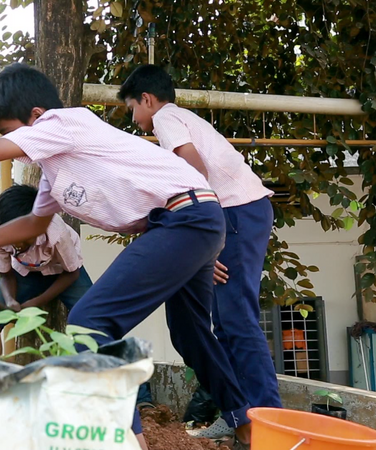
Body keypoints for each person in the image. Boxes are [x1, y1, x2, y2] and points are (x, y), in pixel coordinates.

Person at [0, 63, 253, 449]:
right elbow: (32, 224)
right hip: (189, 222)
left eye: (7, 131)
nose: (7, 143)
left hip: (184, 217)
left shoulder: (63, 122)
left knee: (90, 322)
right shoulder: (55, 169)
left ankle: (131, 441)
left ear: (36, 117)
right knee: (190, 332)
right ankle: (245, 425)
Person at [119, 64, 280, 439]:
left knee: (237, 320)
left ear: (147, 99)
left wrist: (210, 244)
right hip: (237, 212)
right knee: (224, 322)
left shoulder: (166, 119)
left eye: (132, 108)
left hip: (234, 212)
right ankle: (240, 415)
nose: (134, 117)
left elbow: (196, 173)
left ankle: (268, 420)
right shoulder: (183, 119)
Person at [0, 184, 92, 372]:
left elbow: (72, 273)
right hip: (24, 273)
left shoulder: (56, 232)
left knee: (94, 318)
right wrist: (10, 300)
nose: (16, 244)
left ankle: (121, 383)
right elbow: (6, 274)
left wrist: (36, 302)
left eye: (23, 237)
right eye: (11, 236)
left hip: (64, 272)